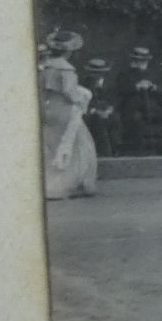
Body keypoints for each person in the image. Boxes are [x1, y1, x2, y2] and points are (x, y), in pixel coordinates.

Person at [41, 31, 100, 199]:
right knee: (78, 144)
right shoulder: (66, 69)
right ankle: (72, 183)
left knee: (52, 145)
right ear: (68, 52)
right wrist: (82, 97)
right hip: (64, 109)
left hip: (48, 107)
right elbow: (69, 91)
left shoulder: (45, 66)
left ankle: (52, 183)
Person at [117, 47, 162, 155]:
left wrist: (153, 87)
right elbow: (120, 90)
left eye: (144, 60)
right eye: (139, 60)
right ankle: (137, 150)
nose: (142, 63)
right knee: (137, 120)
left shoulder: (153, 74)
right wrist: (136, 86)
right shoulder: (125, 74)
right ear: (134, 60)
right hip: (133, 108)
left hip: (153, 107)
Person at [79, 58, 120, 157]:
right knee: (98, 121)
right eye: (94, 73)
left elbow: (113, 100)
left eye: (100, 73)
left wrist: (109, 110)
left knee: (115, 118)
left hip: (105, 112)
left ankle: (115, 149)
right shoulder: (83, 85)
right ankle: (105, 152)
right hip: (88, 114)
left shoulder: (108, 85)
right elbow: (83, 104)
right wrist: (95, 111)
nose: (98, 76)